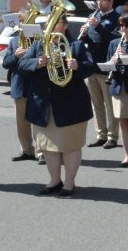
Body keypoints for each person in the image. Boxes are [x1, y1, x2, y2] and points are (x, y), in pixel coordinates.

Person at [19, 13, 95, 196]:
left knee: (70, 146)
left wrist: (78, 66)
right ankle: (54, 180)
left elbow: (91, 66)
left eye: (55, 23)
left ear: (65, 26)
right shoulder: (38, 45)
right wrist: (37, 62)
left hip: (70, 106)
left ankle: (69, 183)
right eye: (48, 23)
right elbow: (21, 65)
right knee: (48, 147)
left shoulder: (76, 46)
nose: (50, 26)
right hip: (44, 105)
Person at [80, 0, 120, 149]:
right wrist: (84, 34)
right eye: (97, 0)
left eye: (102, 0)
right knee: (96, 105)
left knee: (109, 105)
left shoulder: (116, 18)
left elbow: (115, 39)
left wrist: (98, 28)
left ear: (110, 2)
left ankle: (112, 136)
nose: (99, 3)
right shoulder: (92, 16)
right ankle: (101, 134)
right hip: (92, 66)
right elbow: (91, 39)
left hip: (106, 67)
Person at [4, 8, 40, 163]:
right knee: (22, 122)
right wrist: (15, 56)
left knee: (38, 120)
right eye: (22, 22)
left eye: (27, 21)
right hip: (19, 84)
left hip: (36, 83)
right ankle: (27, 150)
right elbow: (6, 63)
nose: (24, 25)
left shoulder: (39, 40)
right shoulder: (13, 41)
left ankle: (41, 152)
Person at [108, 13, 128, 167]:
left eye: (126, 25)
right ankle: (126, 155)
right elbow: (108, 64)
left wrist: (126, 56)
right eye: (121, 25)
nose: (123, 28)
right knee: (122, 123)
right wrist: (113, 62)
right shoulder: (114, 43)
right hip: (118, 86)